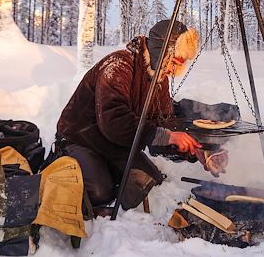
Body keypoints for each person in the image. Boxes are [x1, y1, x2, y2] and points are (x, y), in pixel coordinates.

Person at [56, 20, 227, 212]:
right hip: (82, 139)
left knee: (148, 181)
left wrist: (197, 151)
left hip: (115, 143)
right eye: (174, 62)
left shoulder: (159, 80)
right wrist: (166, 135)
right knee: (98, 192)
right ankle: (71, 165)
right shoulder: (119, 65)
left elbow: (162, 126)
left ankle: (105, 172)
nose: (173, 70)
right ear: (161, 51)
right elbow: (114, 121)